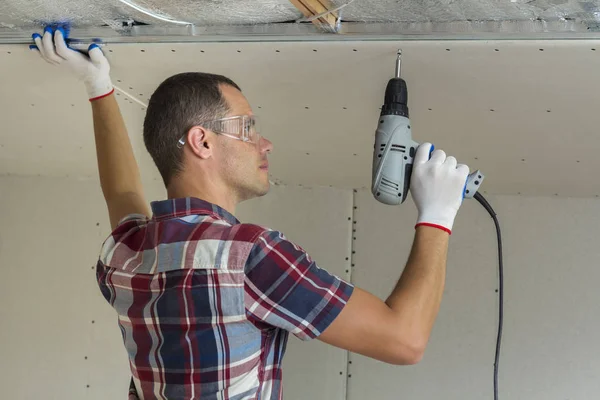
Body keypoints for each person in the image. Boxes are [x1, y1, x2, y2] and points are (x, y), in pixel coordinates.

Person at [31, 27, 470, 400]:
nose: (264, 143)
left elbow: (121, 192)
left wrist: (98, 89)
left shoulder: (126, 253)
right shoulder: (249, 256)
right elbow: (404, 340)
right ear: (202, 142)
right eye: (247, 128)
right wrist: (437, 215)